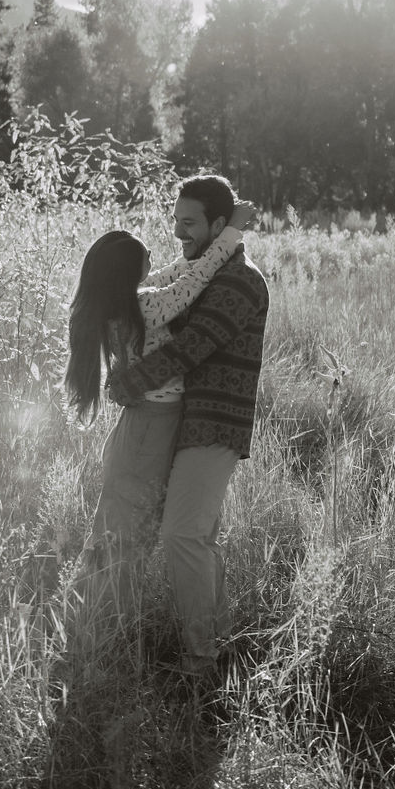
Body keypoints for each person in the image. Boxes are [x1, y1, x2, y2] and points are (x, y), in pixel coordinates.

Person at [63, 200, 255, 646]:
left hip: (146, 425)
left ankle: (94, 626)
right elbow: (193, 280)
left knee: (124, 526)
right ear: (130, 272)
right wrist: (233, 233)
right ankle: (95, 628)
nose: (158, 256)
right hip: (151, 426)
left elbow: (174, 274)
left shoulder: (131, 302)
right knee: (125, 531)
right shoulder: (145, 307)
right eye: (146, 255)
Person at [105, 174, 269, 678]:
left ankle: (203, 660)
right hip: (179, 421)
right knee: (182, 536)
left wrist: (127, 385)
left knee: (183, 537)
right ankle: (215, 641)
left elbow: (189, 348)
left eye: (190, 223)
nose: (179, 232)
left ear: (218, 226)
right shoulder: (200, 273)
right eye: (175, 221)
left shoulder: (241, 283)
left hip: (213, 425)